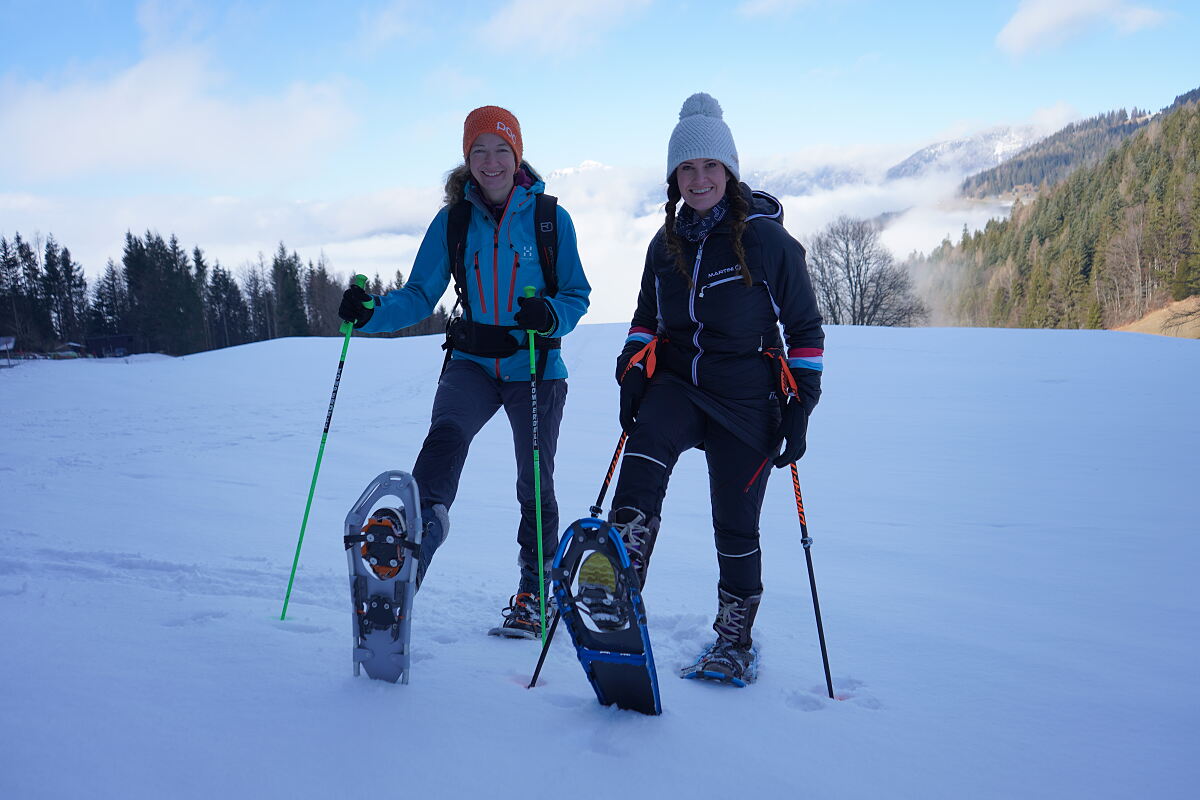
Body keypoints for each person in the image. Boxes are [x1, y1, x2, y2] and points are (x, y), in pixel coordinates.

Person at [338, 105, 591, 638]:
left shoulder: (549, 219)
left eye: (501, 150)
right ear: (466, 159)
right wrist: (369, 315)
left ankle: (533, 594)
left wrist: (550, 316)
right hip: (472, 362)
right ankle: (405, 570)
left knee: (534, 481)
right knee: (443, 445)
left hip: (535, 365)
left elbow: (576, 294)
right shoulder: (454, 221)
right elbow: (419, 295)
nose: (491, 162)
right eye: (479, 151)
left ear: (517, 154)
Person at [602, 93, 824, 683]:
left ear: (729, 171)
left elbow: (804, 330)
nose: (699, 179)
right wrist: (631, 373)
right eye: (687, 168)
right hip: (678, 383)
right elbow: (645, 322)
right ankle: (618, 591)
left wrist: (801, 406)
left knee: (735, 522)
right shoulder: (663, 247)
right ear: (673, 177)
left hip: (747, 396)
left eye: (710, 167)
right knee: (642, 467)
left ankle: (733, 639)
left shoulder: (765, 242)